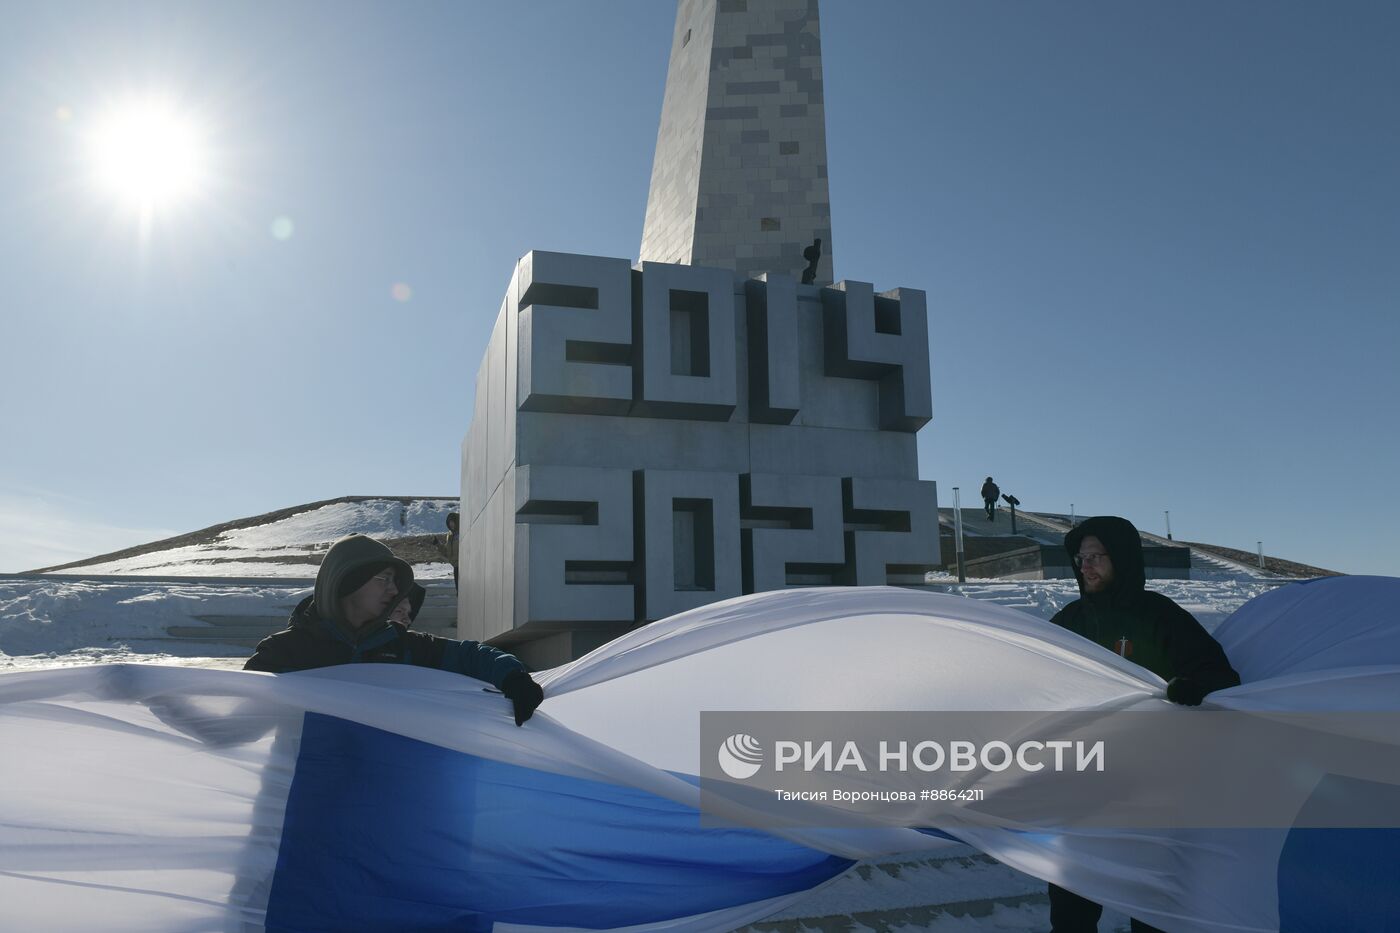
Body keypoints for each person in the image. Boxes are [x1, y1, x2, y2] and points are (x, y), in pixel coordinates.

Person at [1046, 515, 1241, 932]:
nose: (1088, 566)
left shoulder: (1159, 615)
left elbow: (1220, 675)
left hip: (1150, 788)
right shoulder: (1070, 621)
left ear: (1122, 558)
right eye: (1081, 559)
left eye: (1097, 556)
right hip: (1083, 784)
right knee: (1071, 905)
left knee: (1150, 907)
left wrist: (1190, 686)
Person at [245, 533, 543, 726]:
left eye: (394, 581)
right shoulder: (283, 652)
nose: (394, 590)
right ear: (347, 581)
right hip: (308, 802)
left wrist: (513, 678)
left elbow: (470, 655)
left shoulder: (404, 645)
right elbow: (238, 723)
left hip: (386, 798)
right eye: (383, 579)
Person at [444, 511, 461, 592]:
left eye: (452, 522)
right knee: (459, 592)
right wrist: (437, 544)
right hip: (456, 566)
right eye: (449, 522)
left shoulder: (463, 532)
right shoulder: (450, 535)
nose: (451, 524)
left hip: (463, 566)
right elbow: (447, 551)